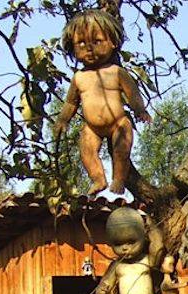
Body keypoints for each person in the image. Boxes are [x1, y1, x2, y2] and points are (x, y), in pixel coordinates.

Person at [54, 10, 152, 195]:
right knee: (86, 150)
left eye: (96, 41)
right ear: (72, 47)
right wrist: (62, 120)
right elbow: (70, 103)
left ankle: (118, 179)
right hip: (92, 127)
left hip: (118, 123)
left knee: (121, 151)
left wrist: (140, 110)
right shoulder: (79, 77)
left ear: (113, 42)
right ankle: (98, 178)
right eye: (81, 43)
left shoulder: (116, 72)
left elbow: (133, 93)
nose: (89, 48)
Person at [96, 207, 162, 294]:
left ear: (143, 237)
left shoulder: (146, 259)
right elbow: (106, 283)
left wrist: (151, 227)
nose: (125, 248)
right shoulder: (117, 265)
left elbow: (158, 248)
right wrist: (101, 290)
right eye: (118, 243)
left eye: (131, 242)